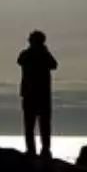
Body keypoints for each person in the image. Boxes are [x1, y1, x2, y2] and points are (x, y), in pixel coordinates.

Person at [17, 30, 58, 158]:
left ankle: (42, 150)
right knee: (33, 125)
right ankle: (34, 150)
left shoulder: (40, 54)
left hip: (38, 95)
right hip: (33, 94)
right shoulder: (27, 54)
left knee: (41, 125)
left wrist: (43, 51)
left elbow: (54, 65)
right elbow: (20, 60)